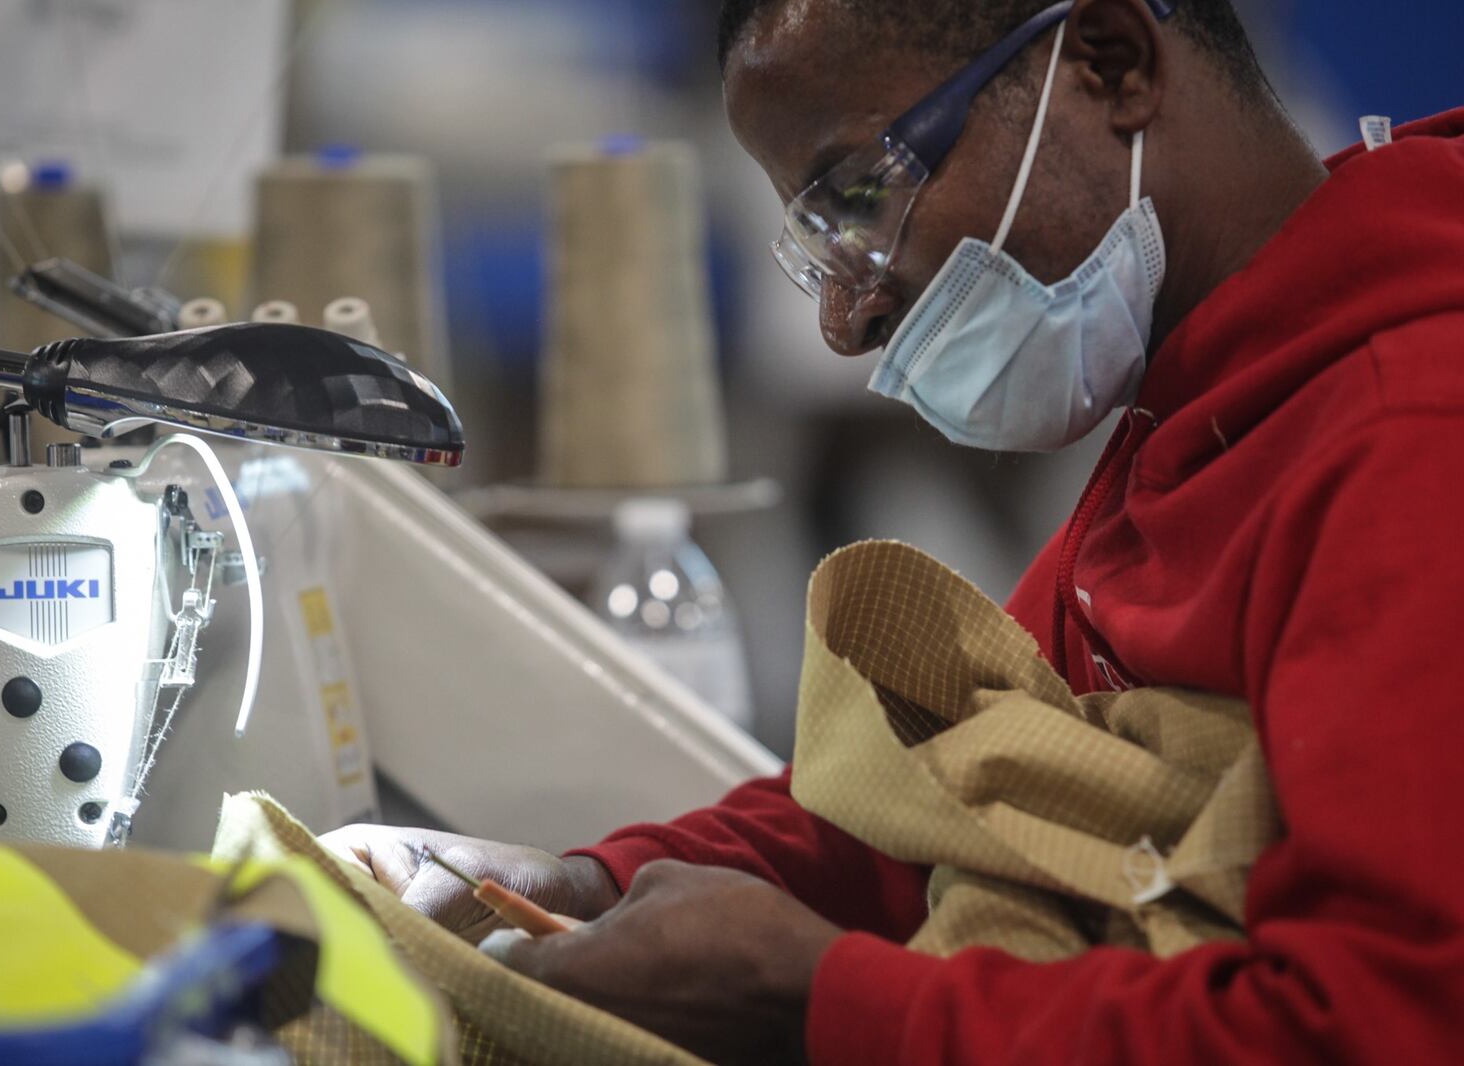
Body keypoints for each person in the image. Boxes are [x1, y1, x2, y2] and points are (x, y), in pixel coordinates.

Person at [323, 0, 1464, 1061]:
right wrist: (588, 881)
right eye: (820, 242)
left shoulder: (1407, 433)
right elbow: (965, 779)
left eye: (861, 197)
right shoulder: (1215, 393)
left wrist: (826, 999)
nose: (844, 317)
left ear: (1112, 64)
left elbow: (1375, 1026)